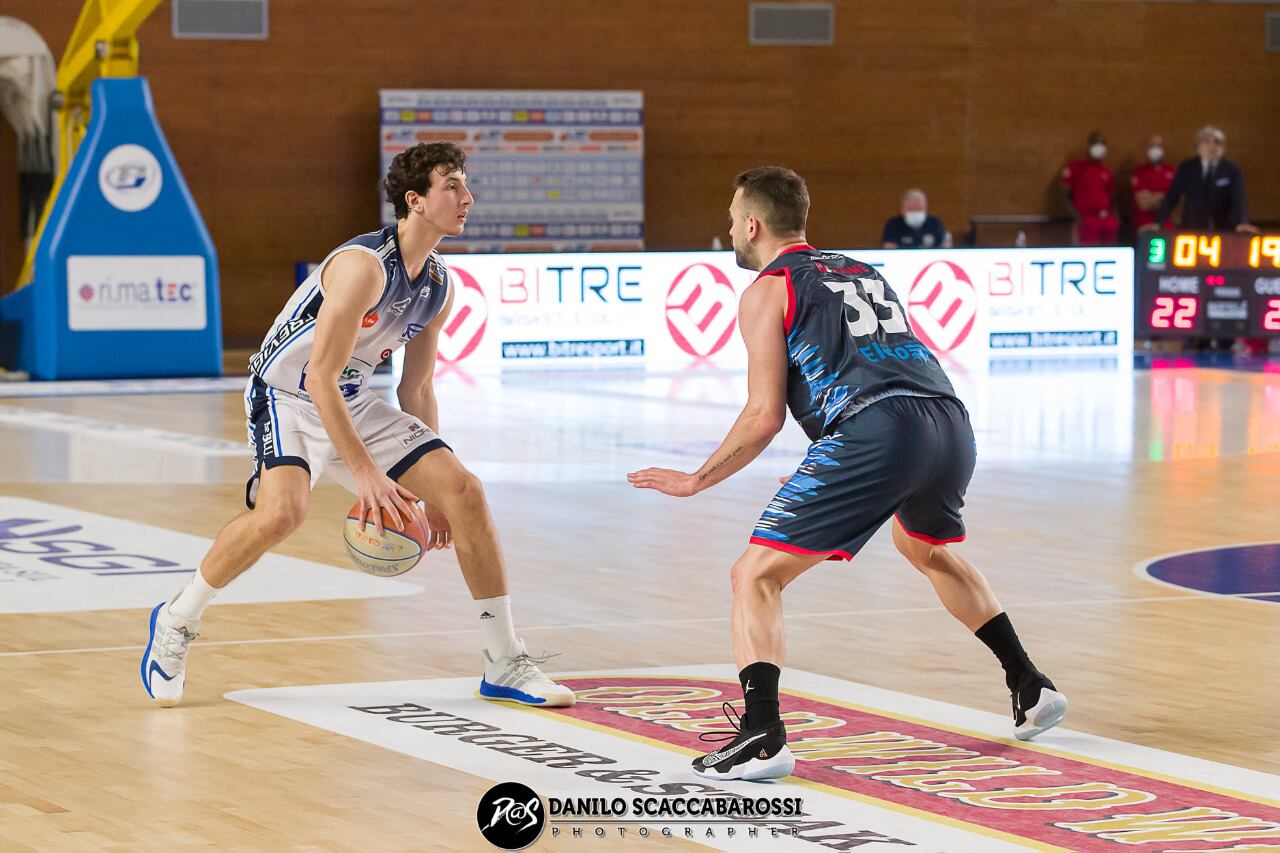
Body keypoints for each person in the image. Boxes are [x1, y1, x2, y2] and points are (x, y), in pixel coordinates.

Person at [628, 166, 1066, 782]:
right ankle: (1029, 683)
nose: (727, 228)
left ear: (752, 224)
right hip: (949, 421)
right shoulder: (863, 270)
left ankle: (762, 735)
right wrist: (836, 468)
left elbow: (762, 417)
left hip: (877, 431)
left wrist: (698, 479)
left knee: (754, 574)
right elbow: (875, 365)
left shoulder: (766, 290)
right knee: (927, 547)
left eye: (731, 217)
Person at [141, 142, 574, 709]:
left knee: (466, 493)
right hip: (288, 394)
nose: (467, 197)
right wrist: (366, 473)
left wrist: (437, 498)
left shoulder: (438, 286)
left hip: (349, 397)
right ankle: (177, 619)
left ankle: (504, 661)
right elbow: (318, 376)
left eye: (466, 184)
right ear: (415, 201)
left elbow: (415, 389)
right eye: (452, 186)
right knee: (281, 514)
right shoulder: (363, 268)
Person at [1147, 126, 1256, 233]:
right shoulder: (1187, 168)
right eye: (1206, 142)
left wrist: (1242, 222)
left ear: (1223, 148)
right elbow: (1172, 196)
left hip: (1224, 228)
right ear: (1198, 146)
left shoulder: (1232, 170)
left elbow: (1238, 198)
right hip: (1192, 227)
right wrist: (1159, 222)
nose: (1212, 146)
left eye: (1217, 142)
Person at [1061, 131, 1118, 246]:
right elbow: (1064, 196)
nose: (1099, 147)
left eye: (1102, 144)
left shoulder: (1107, 172)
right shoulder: (1075, 168)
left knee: (1109, 252)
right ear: (1089, 146)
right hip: (1086, 220)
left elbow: (1112, 198)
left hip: (1106, 220)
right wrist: (1078, 218)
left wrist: (1116, 218)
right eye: (1096, 143)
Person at [1130, 134, 1175, 231]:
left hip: (1166, 222)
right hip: (1144, 222)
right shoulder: (1139, 172)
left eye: (1158, 146)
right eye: (1152, 146)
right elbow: (1144, 204)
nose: (1155, 150)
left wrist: (1152, 197)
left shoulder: (1171, 171)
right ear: (1147, 149)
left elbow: (1176, 202)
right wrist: (1164, 197)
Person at [881, 189, 950, 249]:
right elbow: (889, 248)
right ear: (902, 210)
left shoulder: (935, 223)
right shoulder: (893, 225)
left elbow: (944, 247)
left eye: (919, 209)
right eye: (910, 209)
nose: (915, 212)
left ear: (925, 208)